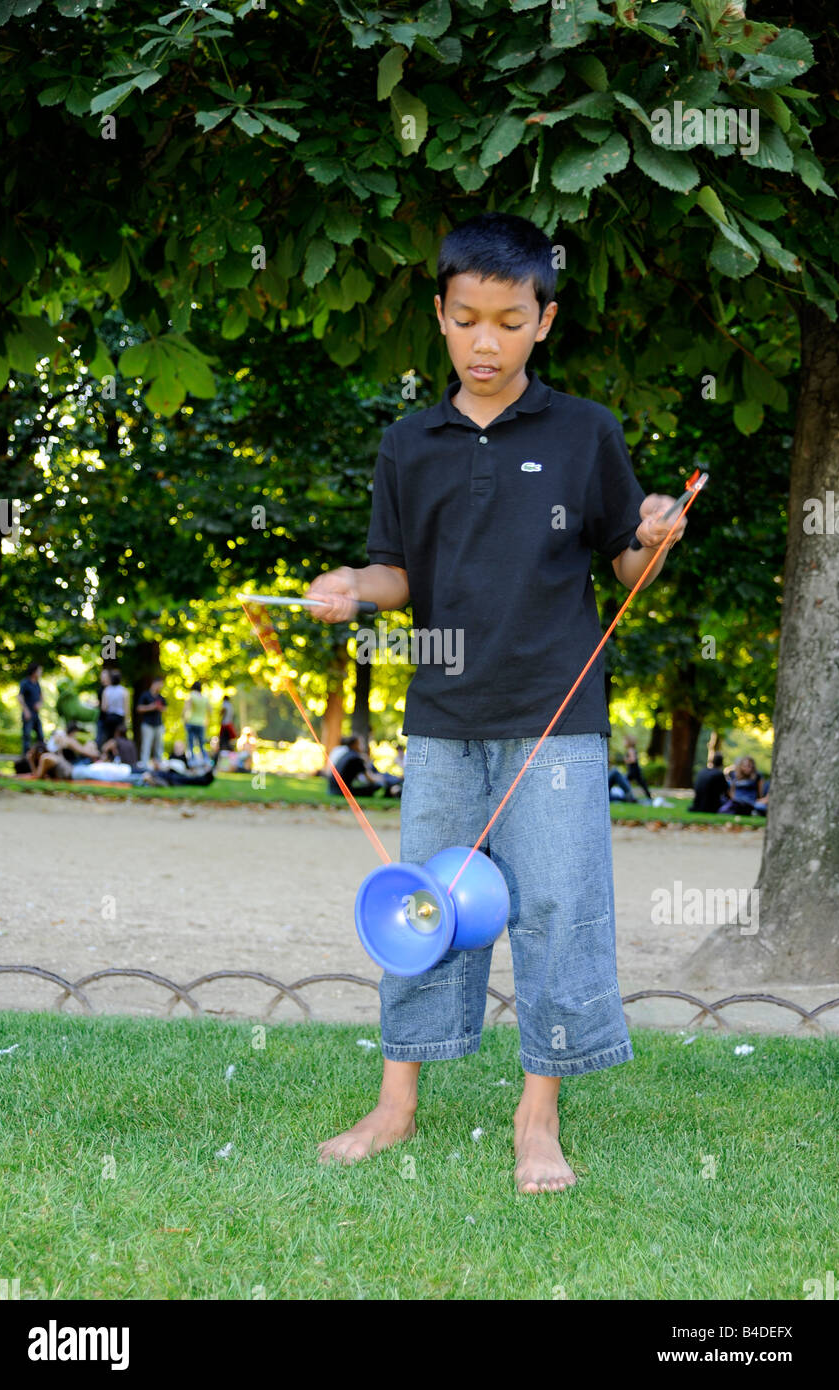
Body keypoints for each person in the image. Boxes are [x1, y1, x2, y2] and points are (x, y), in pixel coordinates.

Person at [305, 211, 688, 1194]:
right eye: (468, 318)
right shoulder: (410, 442)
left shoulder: (585, 433)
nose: (487, 341)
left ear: (543, 321)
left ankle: (537, 1115)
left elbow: (627, 561)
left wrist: (654, 533)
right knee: (424, 905)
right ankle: (396, 1105)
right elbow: (396, 573)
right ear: (439, 314)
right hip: (442, 715)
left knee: (557, 906)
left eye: (510, 321)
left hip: (557, 710)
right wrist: (354, 582)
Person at [136, 677, 167, 767]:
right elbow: (139, 708)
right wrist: (151, 707)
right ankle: (144, 764)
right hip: (147, 724)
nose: (160, 687)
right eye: (159, 684)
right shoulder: (145, 695)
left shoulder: (160, 697)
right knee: (146, 745)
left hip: (158, 724)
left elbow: (165, 708)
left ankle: (159, 764)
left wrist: (159, 708)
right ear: (154, 684)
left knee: (159, 746)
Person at [18, 662, 44, 754]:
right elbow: (20, 697)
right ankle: (25, 758)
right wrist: (25, 710)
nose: (41, 673)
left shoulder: (37, 683)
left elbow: (42, 697)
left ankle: (40, 755)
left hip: (36, 714)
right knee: (27, 737)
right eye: (39, 671)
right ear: (34, 671)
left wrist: (40, 704)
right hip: (28, 714)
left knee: (40, 736)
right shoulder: (25, 683)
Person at [98, 670, 129, 749]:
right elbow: (126, 709)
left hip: (109, 718)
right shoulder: (124, 691)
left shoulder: (107, 690)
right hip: (119, 718)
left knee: (108, 739)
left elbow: (104, 708)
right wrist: (126, 722)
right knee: (119, 739)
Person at [623, 736, 652, 802]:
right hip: (634, 770)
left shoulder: (630, 749)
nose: (623, 743)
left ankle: (627, 796)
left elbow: (633, 759)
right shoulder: (631, 749)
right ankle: (648, 796)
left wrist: (626, 759)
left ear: (628, 742)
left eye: (624, 741)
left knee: (625, 781)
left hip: (634, 770)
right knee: (640, 783)